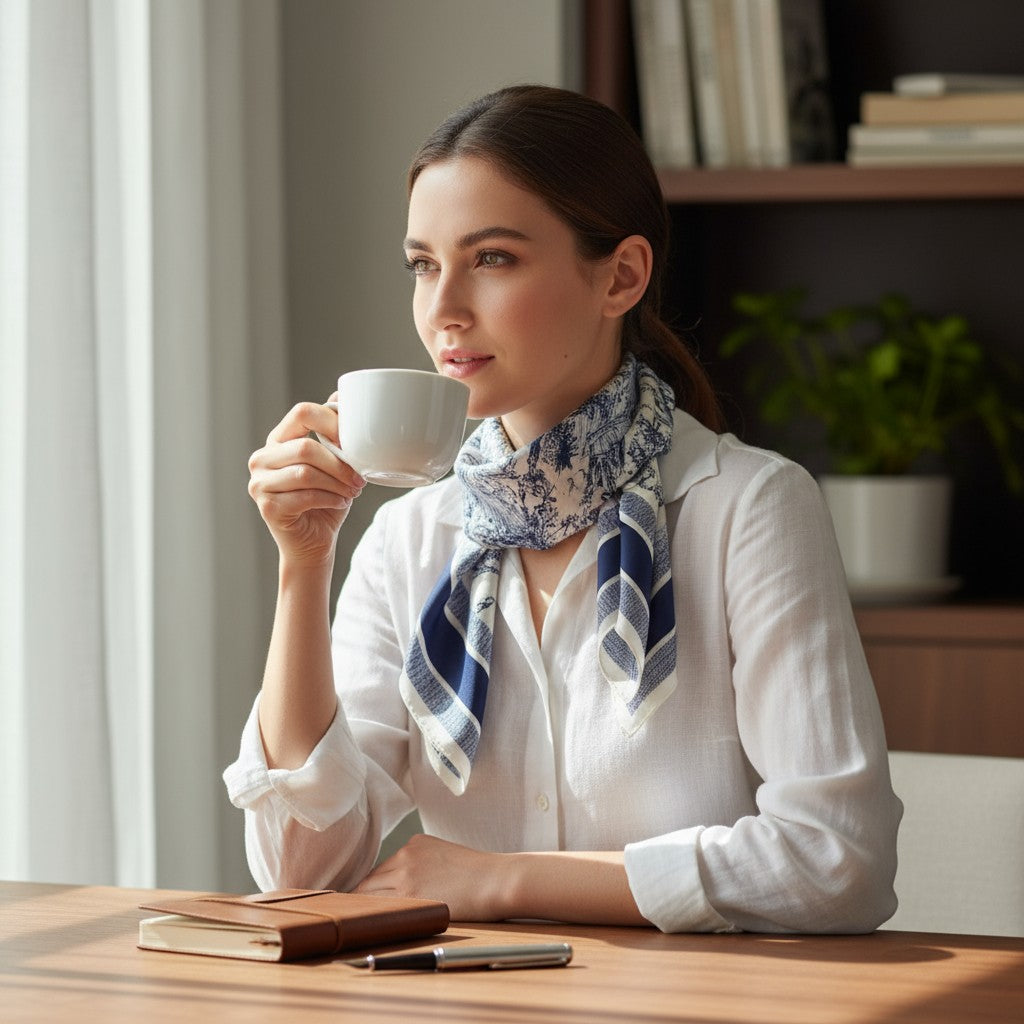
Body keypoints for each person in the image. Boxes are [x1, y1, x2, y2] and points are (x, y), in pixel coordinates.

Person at [228, 84, 902, 933]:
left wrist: (510, 881)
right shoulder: (409, 538)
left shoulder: (748, 509)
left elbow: (839, 859)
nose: (443, 311)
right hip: (467, 991)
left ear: (621, 277)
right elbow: (299, 868)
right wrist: (303, 562)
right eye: (424, 265)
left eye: (492, 258)